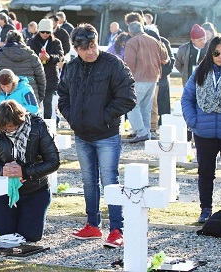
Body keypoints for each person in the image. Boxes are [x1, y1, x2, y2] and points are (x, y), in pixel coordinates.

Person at [58, 24, 136, 248]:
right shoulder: (71, 68)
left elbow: (128, 96)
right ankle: (92, 225)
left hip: (106, 134)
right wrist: (72, 116)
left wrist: (104, 118)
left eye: (92, 46)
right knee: (88, 181)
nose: (90, 51)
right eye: (84, 48)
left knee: (110, 181)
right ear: (76, 48)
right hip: (82, 134)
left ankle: (116, 229)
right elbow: (63, 95)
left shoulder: (113, 64)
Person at [0, 100, 60, 242]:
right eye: (3, 128)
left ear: (19, 120)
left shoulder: (38, 127)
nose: (6, 131)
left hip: (34, 190)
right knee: (0, 236)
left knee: (30, 237)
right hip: (4, 191)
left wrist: (24, 171)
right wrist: (2, 170)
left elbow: (53, 161)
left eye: (10, 127)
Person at [181, 36, 221, 223]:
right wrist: (194, 121)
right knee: (206, 172)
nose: (220, 56)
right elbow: (187, 98)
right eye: (216, 52)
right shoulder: (200, 71)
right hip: (204, 133)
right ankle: (205, 209)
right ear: (211, 53)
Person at [123, 22, 167, 143]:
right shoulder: (154, 40)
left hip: (138, 78)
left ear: (130, 32)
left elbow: (129, 63)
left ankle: (141, 131)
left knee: (131, 105)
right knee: (146, 107)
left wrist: (126, 79)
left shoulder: (132, 42)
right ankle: (147, 131)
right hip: (154, 77)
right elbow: (164, 57)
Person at [0, 30, 46, 104]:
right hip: (29, 98)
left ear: (7, 40)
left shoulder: (0, 55)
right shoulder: (32, 55)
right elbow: (41, 78)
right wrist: (39, 97)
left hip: (6, 99)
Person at [27, 19, 64, 119]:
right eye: (42, 32)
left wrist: (50, 58)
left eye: (47, 32)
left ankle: (47, 124)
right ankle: (35, 124)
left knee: (48, 102)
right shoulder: (32, 42)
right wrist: (37, 57)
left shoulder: (56, 42)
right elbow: (28, 56)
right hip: (36, 76)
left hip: (50, 76)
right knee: (35, 102)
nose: (45, 34)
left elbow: (60, 56)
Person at [151, 36, 175, 137]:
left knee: (163, 105)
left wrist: (163, 73)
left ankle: (164, 128)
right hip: (151, 78)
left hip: (163, 79)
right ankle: (152, 127)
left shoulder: (164, 41)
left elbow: (171, 60)